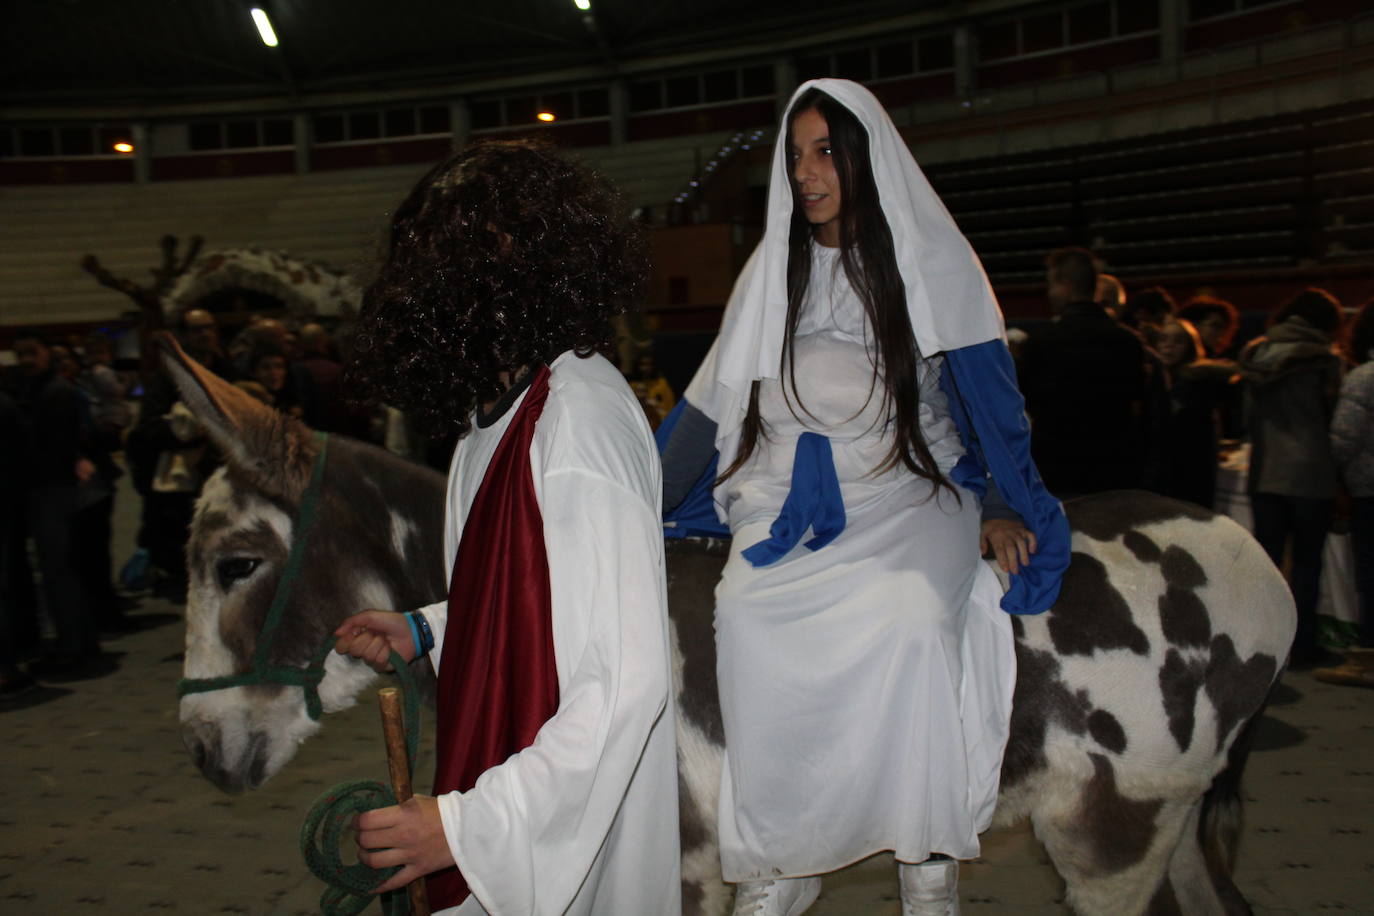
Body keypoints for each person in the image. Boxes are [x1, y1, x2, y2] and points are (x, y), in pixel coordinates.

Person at [661, 79, 1069, 915]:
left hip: (906, 490)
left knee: (917, 623)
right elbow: (708, 402)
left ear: (867, 157)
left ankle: (926, 857)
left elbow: (985, 402)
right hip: (779, 490)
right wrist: (640, 494)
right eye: (797, 154)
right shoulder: (769, 266)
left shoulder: (931, 260)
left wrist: (999, 498)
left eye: (826, 152)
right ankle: (783, 854)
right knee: (743, 615)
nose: (807, 173)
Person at [332, 139, 680, 915]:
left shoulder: (578, 422)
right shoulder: (487, 422)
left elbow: (625, 682)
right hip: (508, 797)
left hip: (566, 835)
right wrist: (425, 630)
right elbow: (532, 607)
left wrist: (464, 826)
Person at [1238, 287, 1345, 669]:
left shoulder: (1257, 354)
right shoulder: (1325, 360)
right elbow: (1335, 418)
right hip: (1312, 473)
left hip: (1266, 470)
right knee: (1305, 564)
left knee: (1266, 564)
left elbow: (1248, 416)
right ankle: (1302, 647)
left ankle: (1262, 643)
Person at [1018, 247, 1167, 497]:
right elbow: (1143, 406)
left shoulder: (1043, 341)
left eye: (1050, 284)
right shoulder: (1129, 341)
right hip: (1117, 469)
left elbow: (1027, 402)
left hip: (1058, 470)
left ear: (1064, 284)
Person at [1318, 298, 1374, 687]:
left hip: (1369, 488)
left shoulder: (1364, 377)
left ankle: (1367, 659)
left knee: (1370, 577)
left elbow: (1343, 438)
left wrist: (1334, 475)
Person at [1155, 317, 1236, 509]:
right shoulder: (1157, 380)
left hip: (1188, 475)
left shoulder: (1199, 383)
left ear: (1191, 346)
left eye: (1178, 341)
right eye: (1164, 339)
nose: (1169, 346)